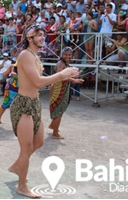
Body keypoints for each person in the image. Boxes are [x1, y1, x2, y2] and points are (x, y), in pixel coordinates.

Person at [8, 24, 79, 198]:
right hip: (24, 105)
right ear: (29, 38)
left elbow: (40, 81)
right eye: (39, 35)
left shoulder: (34, 55)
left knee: (38, 142)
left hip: (34, 104)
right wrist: (62, 74)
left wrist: (66, 77)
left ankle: (18, 166)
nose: (43, 38)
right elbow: (38, 82)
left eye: (44, 35)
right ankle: (22, 186)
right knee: (26, 148)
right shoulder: (25, 55)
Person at [48, 47, 85, 139]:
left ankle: (53, 126)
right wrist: (74, 80)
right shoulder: (61, 64)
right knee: (59, 111)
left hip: (62, 89)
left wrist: (74, 77)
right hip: (59, 90)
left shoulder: (64, 64)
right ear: (62, 55)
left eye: (69, 55)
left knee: (59, 110)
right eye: (66, 54)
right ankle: (55, 133)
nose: (68, 56)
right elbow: (61, 77)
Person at [0, 56, 18, 124]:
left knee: (8, 103)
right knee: (9, 103)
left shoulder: (12, 66)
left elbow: (4, 74)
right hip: (14, 89)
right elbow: (4, 74)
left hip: (13, 88)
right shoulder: (14, 66)